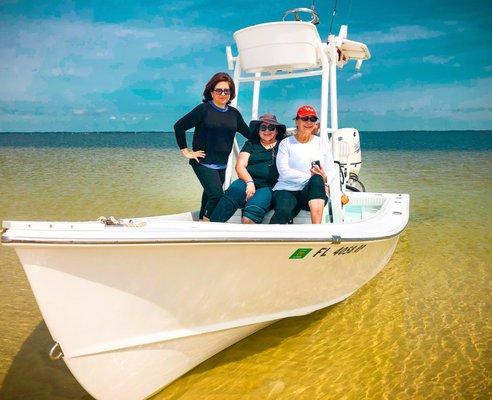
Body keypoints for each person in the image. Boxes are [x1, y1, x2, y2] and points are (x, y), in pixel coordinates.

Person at [174, 72, 251, 220]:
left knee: (208, 195)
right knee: (216, 195)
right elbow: (179, 126)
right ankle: (207, 223)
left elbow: (248, 133)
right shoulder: (204, 109)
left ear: (231, 93)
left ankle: (201, 221)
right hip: (203, 163)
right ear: (211, 92)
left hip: (222, 165)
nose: (223, 94)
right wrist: (186, 151)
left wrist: (273, 135)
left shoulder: (234, 114)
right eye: (219, 90)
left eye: (226, 91)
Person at [210, 114, 286, 224]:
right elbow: (240, 166)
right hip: (246, 180)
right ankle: (212, 229)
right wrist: (250, 182)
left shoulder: (283, 145)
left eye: (271, 128)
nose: (267, 131)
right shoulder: (251, 144)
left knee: (249, 219)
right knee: (233, 193)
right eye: (263, 128)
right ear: (258, 130)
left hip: (268, 186)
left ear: (277, 131)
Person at [269, 105, 336, 224]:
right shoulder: (286, 143)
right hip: (287, 189)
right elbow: (284, 172)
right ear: (297, 121)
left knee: (316, 180)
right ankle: (270, 240)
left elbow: (331, 170)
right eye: (305, 118)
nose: (309, 122)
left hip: (312, 193)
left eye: (313, 119)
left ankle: (316, 232)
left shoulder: (322, 143)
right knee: (283, 211)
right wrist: (314, 179)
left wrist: (324, 178)